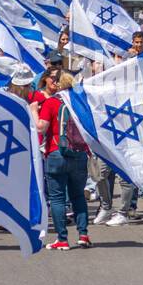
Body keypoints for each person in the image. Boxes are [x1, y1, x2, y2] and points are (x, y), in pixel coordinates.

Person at [40, 72, 92, 250]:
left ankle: (62, 238)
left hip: (56, 153)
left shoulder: (52, 102)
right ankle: (83, 234)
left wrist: (33, 111)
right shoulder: (81, 104)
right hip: (78, 154)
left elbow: (42, 127)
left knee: (57, 198)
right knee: (78, 195)